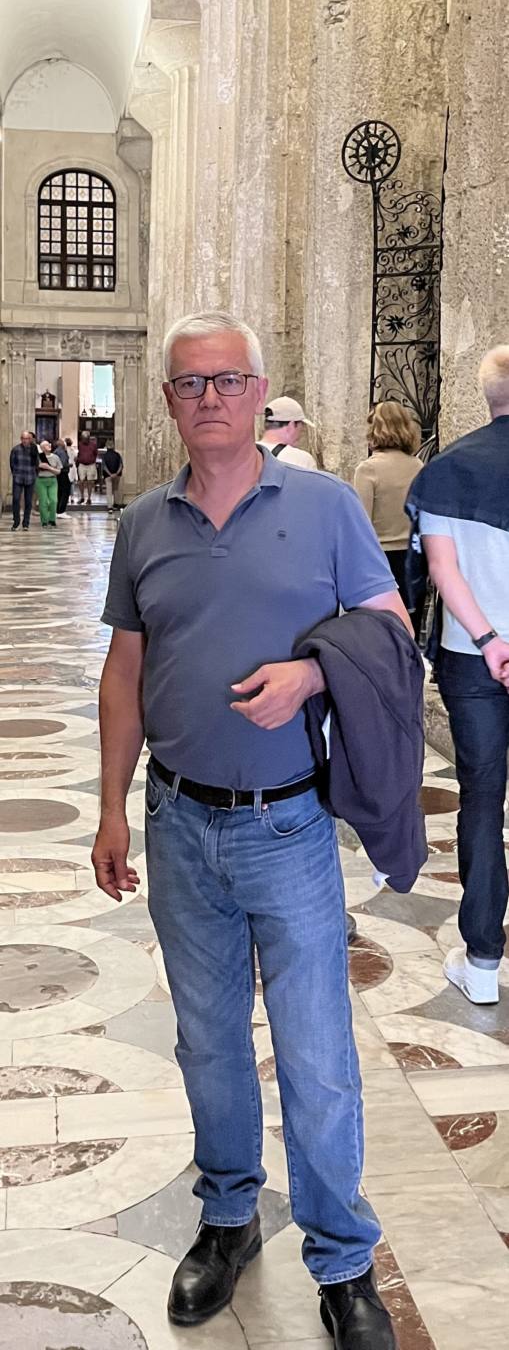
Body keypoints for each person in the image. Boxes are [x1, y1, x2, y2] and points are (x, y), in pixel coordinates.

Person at [92, 311, 410, 1349]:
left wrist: (312, 674)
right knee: (209, 1041)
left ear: (259, 392)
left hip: (288, 825)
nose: (211, 398)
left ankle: (342, 1260)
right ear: (169, 401)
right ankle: (229, 1217)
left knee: (315, 1050)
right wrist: (110, 805)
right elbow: (126, 672)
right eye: (190, 383)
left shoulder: (322, 507)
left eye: (228, 379)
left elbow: (390, 628)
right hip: (178, 822)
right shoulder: (144, 523)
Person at [409, 345, 509, 1007]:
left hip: (472, 657)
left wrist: (489, 640)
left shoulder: (447, 469)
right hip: (483, 652)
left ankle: (481, 960)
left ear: (485, 395)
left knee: (481, 799)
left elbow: (441, 571)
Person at [354, 402, 424, 637]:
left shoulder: (368, 470)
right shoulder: (418, 466)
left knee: (380, 629)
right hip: (412, 556)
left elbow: (361, 523)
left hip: (380, 557)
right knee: (410, 624)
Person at [260, 395, 317, 469]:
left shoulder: (247, 453)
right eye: (302, 425)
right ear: (291, 425)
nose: (302, 431)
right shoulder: (302, 460)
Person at [9, 430, 39, 530]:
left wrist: (35, 474)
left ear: (30, 439)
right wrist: (15, 473)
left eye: (27, 439)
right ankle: (16, 521)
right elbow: (12, 464)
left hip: (30, 477)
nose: (25, 440)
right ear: (21, 439)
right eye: (24, 438)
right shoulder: (15, 449)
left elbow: (37, 463)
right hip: (18, 477)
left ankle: (26, 523)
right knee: (16, 499)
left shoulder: (33, 449)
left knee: (28, 501)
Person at [35, 440, 60, 528]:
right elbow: (35, 468)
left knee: (53, 500)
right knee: (43, 501)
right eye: (46, 445)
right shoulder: (38, 457)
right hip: (41, 480)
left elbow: (58, 471)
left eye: (49, 444)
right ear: (42, 448)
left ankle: (52, 519)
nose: (49, 445)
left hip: (52, 480)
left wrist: (49, 468)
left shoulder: (56, 457)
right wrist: (39, 466)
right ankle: (44, 521)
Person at [102, 437, 123, 511]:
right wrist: (116, 473)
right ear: (113, 446)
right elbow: (121, 465)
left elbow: (104, 466)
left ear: (106, 446)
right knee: (116, 489)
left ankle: (110, 507)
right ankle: (116, 504)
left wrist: (110, 474)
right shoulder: (118, 455)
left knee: (109, 491)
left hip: (108, 476)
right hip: (117, 475)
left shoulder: (104, 456)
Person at [77, 430, 98, 505]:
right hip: (82, 464)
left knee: (90, 482)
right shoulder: (80, 444)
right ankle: (82, 497)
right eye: (83, 438)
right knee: (81, 481)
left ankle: (89, 498)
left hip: (91, 464)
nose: (84, 440)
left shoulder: (93, 445)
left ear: (88, 438)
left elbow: (95, 453)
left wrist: (92, 459)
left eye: (85, 438)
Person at [54, 437, 71, 515]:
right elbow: (63, 464)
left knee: (59, 492)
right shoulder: (61, 452)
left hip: (57, 474)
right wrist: (69, 465)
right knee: (65, 491)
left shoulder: (55, 451)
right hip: (63, 473)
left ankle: (57, 509)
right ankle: (61, 510)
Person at [65, 436, 78, 504]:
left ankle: (67, 498)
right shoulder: (73, 450)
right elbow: (76, 458)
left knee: (66, 483)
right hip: (72, 467)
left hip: (67, 466)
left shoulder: (64, 450)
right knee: (72, 483)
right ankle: (72, 497)